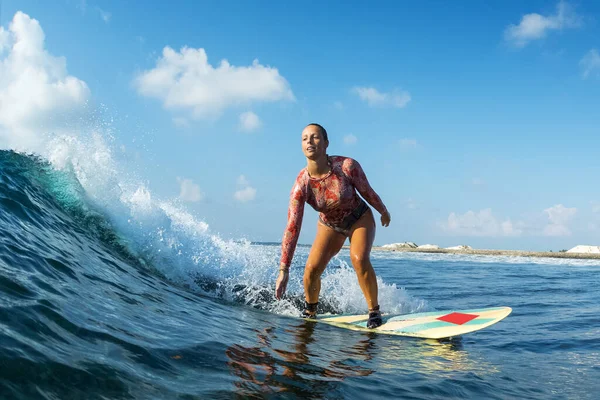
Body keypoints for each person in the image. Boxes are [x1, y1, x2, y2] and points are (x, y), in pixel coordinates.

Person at [275, 123, 391, 329]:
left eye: (315, 137)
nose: (309, 141)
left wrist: (383, 210)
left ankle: (374, 311)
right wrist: (284, 268)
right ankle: (310, 311)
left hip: (359, 218)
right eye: (304, 138)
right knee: (310, 270)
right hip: (330, 225)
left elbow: (367, 191)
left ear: (326, 143)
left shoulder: (347, 166)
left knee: (358, 259)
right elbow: (292, 227)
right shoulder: (301, 186)